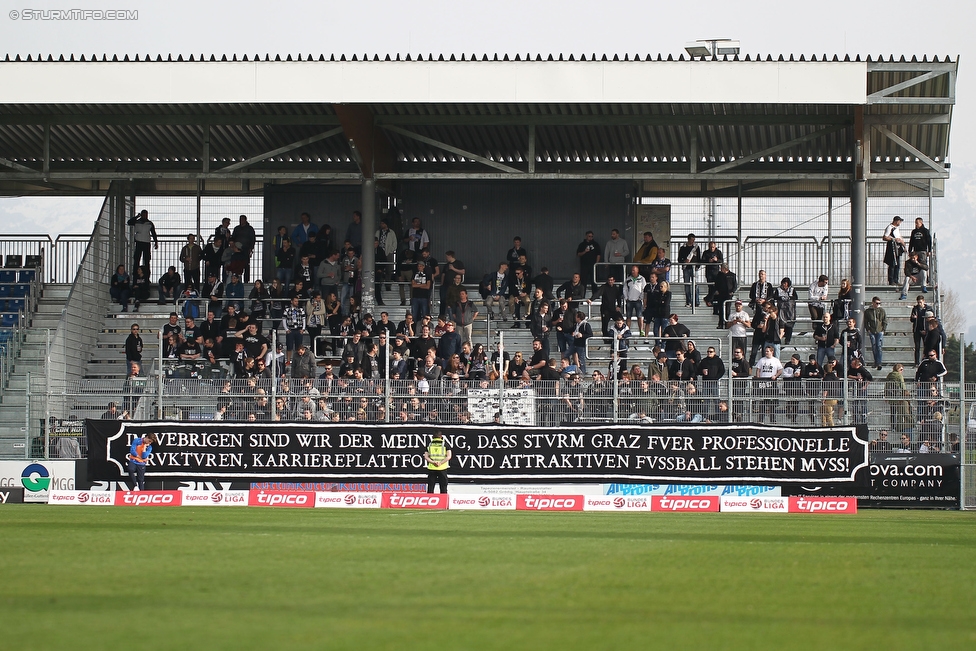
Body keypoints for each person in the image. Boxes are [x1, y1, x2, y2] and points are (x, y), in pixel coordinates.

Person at [677, 233, 701, 307]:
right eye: (691, 240)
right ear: (688, 239)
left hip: (694, 269)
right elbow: (679, 259)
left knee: (696, 285)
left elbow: (699, 258)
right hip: (686, 268)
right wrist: (684, 261)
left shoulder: (696, 247)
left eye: (694, 240)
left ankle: (696, 301)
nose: (693, 241)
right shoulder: (683, 248)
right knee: (687, 285)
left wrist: (698, 266)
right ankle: (688, 301)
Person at [863, 297, 887, 370]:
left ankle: (879, 362)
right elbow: (866, 321)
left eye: (879, 303)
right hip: (872, 331)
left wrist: (883, 330)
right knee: (874, 346)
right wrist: (868, 329)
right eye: (876, 303)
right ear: (873, 303)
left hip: (879, 331)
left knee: (878, 346)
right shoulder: (868, 311)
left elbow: (884, 321)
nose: (878, 305)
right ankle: (876, 361)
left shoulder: (882, 311)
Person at [908, 217, 932, 287]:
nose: (916, 224)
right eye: (915, 223)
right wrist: (910, 250)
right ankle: (916, 280)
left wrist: (929, 250)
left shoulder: (925, 231)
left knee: (923, 265)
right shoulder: (914, 231)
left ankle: (926, 280)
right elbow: (911, 241)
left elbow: (929, 241)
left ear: (921, 223)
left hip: (923, 250)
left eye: (917, 223)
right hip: (915, 251)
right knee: (915, 265)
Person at [622, 265, 647, 335]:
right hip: (630, 300)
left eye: (634, 270)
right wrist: (626, 297)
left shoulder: (642, 278)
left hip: (638, 301)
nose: (632, 272)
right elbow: (625, 289)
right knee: (628, 317)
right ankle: (627, 331)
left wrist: (641, 297)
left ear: (637, 271)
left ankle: (641, 331)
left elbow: (644, 289)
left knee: (639, 316)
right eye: (632, 270)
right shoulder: (628, 279)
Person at [882, 215, 906, 285]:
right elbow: (885, 237)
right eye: (899, 221)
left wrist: (904, 245)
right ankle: (891, 280)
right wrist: (893, 239)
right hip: (892, 247)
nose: (900, 223)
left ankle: (896, 279)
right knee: (892, 264)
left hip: (898, 247)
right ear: (896, 221)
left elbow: (899, 237)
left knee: (897, 264)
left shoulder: (897, 228)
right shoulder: (890, 227)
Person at [576, 230, 601, 296]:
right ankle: (582, 295)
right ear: (586, 236)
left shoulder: (595, 244)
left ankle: (595, 295)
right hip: (584, 265)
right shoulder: (582, 244)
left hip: (593, 265)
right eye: (589, 236)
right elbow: (578, 254)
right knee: (583, 281)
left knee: (594, 281)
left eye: (592, 236)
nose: (590, 238)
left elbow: (598, 254)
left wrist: (597, 264)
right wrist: (585, 251)